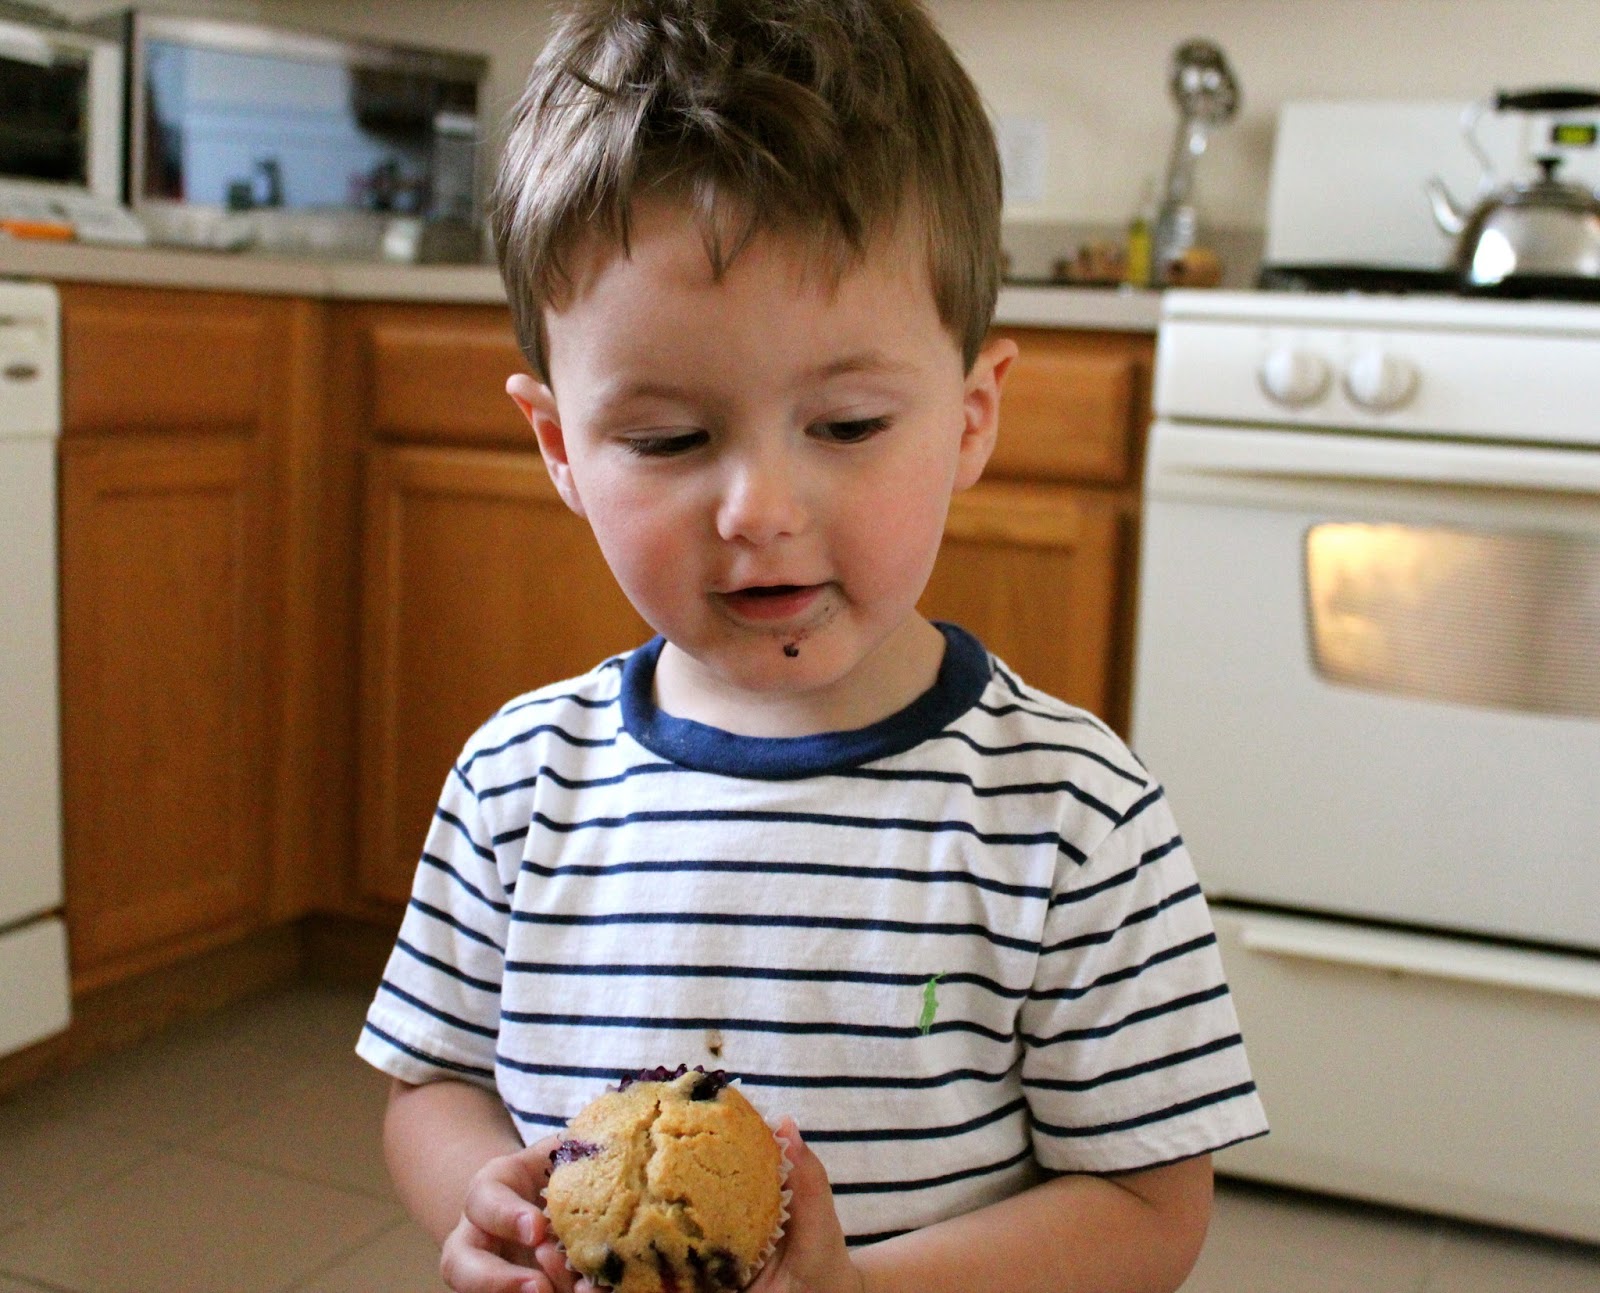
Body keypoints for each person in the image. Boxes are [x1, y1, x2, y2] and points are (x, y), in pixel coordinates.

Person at [356, 2, 1269, 1291]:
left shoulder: (1072, 820)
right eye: (670, 439)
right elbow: (430, 1084)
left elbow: (1146, 1207)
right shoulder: (517, 783)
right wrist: (483, 1199)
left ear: (969, 415)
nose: (761, 513)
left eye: (845, 423)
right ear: (560, 447)